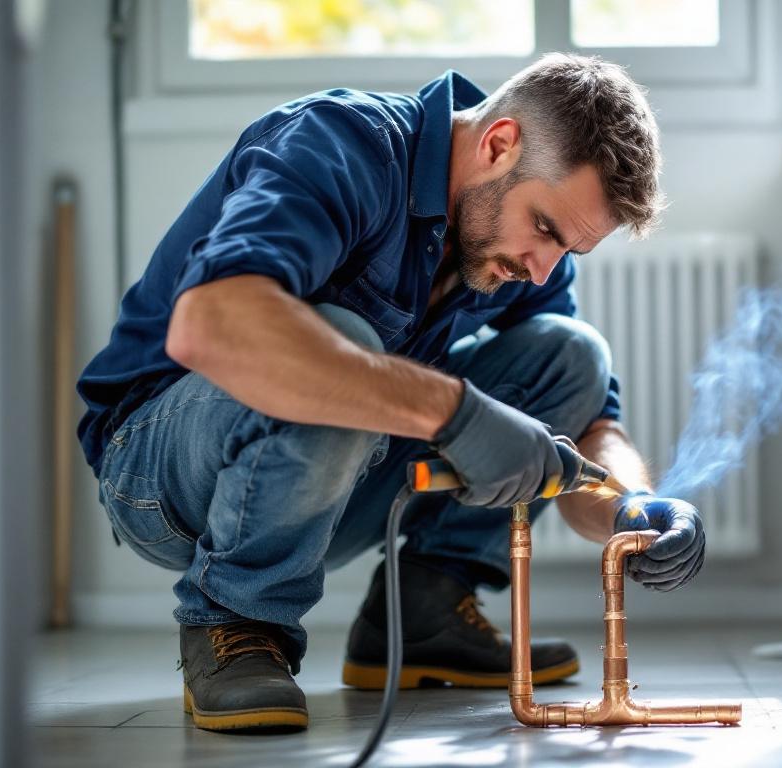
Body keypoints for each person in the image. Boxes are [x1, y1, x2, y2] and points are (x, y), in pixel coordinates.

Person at [76, 53, 706, 732]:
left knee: (570, 355)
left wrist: (633, 508)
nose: (542, 268)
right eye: (546, 229)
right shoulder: (342, 144)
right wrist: (455, 414)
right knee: (341, 339)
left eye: (568, 252)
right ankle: (234, 621)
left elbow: (589, 429)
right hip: (162, 470)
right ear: (499, 144)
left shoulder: (524, 255)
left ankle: (426, 607)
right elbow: (211, 326)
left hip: (335, 477)